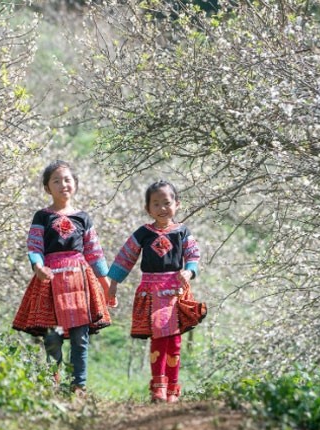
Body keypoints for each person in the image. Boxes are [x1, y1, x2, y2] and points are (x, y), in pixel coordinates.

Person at [12, 160, 113, 396]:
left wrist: (106, 283)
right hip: (49, 283)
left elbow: (95, 253)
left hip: (80, 283)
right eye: (56, 181)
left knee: (80, 338)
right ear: (47, 188)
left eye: (67, 180)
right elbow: (34, 245)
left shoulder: (83, 218)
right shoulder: (42, 217)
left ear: (75, 184)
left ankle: (79, 385)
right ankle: (52, 385)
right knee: (53, 339)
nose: (63, 184)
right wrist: (38, 266)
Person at [107, 180, 201, 403]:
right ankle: (158, 388)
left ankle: (172, 390)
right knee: (159, 337)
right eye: (156, 204)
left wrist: (189, 272)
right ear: (148, 209)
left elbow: (194, 255)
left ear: (177, 204)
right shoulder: (143, 233)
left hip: (177, 290)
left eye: (166, 203)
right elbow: (126, 257)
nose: (162, 208)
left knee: (175, 341)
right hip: (152, 291)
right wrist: (113, 285)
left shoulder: (182, 232)